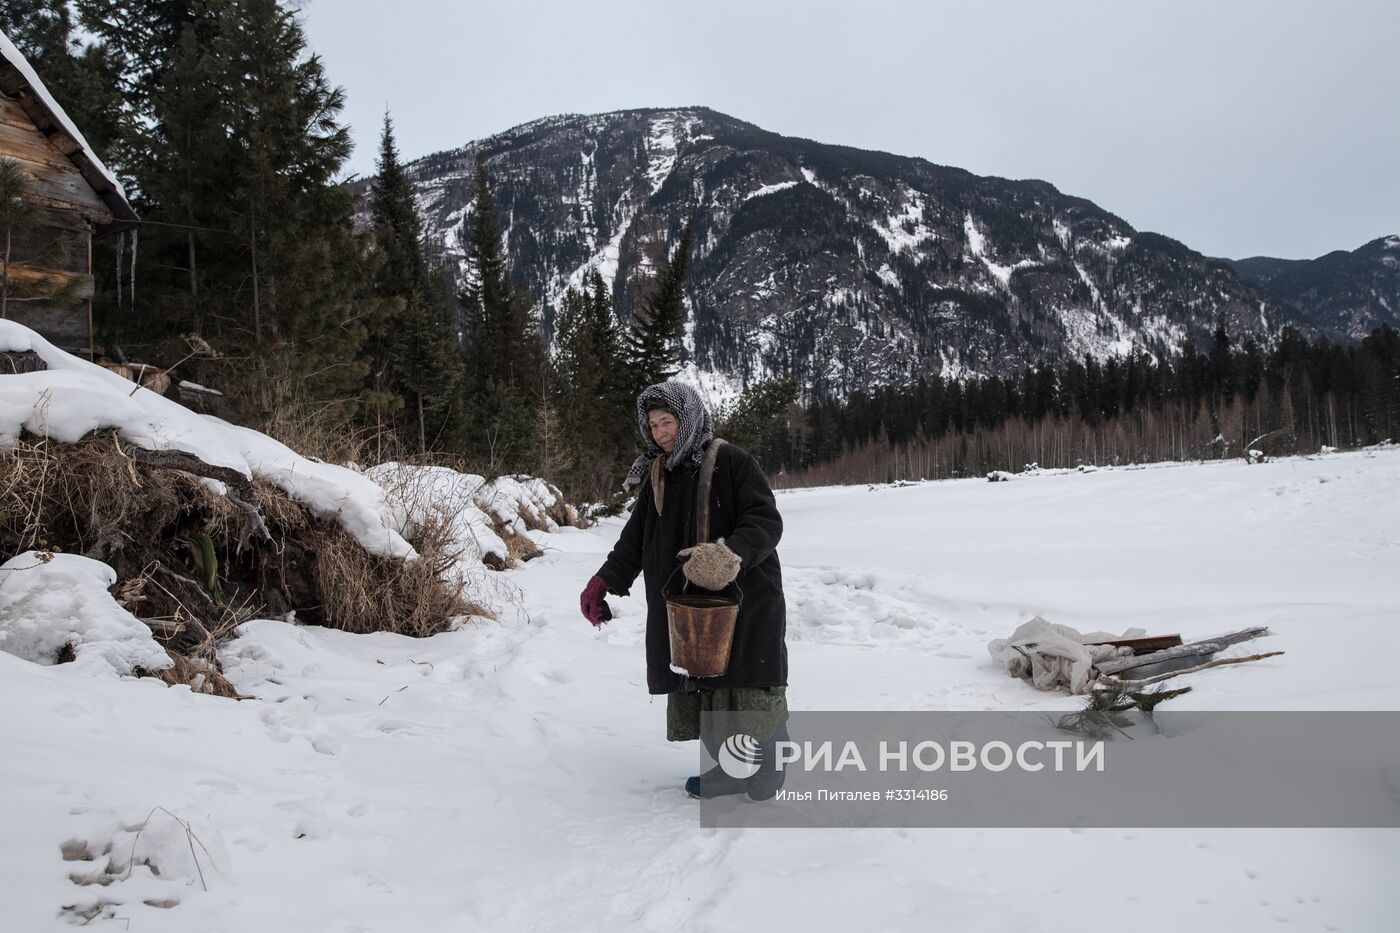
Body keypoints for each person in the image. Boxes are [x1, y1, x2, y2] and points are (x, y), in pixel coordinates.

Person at [579, 381, 790, 799]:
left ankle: (772, 760)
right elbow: (635, 540)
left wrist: (729, 554)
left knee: (749, 683)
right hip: (686, 605)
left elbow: (765, 521)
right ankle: (729, 770)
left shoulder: (732, 462)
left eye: (668, 421)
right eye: (653, 425)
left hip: (744, 596)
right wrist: (605, 581)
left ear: (688, 418)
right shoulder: (659, 474)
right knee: (704, 685)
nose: (660, 432)